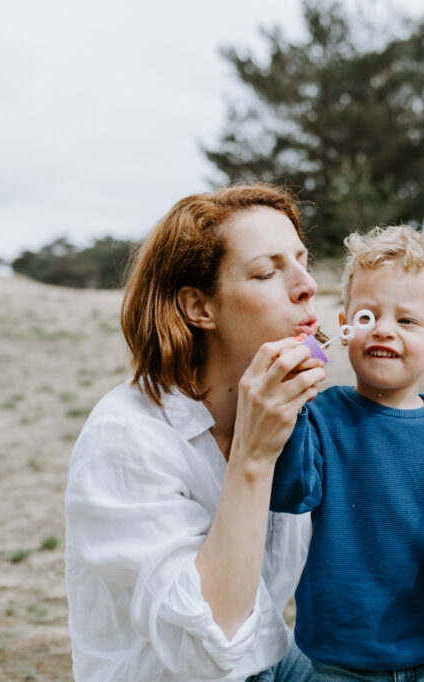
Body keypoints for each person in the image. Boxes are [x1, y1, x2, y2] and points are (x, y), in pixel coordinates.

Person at [64, 184, 328, 681]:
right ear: (200, 308)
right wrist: (253, 458)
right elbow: (208, 653)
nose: (306, 284)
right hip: (187, 670)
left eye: (302, 260)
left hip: (268, 659)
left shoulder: (299, 414)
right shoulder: (124, 439)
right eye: (268, 272)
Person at [269, 225, 424, 681]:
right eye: (366, 317)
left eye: (406, 320)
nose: (383, 329)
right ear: (344, 327)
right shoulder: (322, 417)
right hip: (342, 661)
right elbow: (288, 493)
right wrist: (296, 403)